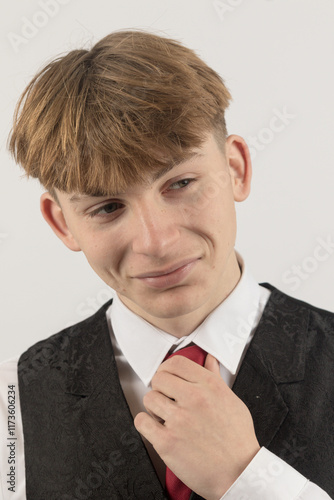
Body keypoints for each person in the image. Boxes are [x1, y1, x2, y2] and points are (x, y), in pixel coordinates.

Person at [0, 29, 333, 500]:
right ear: (63, 224)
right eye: (107, 207)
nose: (156, 242)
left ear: (235, 168)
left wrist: (246, 478)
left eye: (180, 183)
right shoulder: (12, 396)